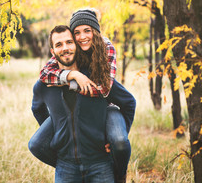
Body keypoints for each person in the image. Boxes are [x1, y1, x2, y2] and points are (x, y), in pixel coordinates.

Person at [29, 9, 136, 183]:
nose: (65, 48)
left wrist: (118, 140)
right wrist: (59, 133)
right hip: (66, 166)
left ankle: (120, 174)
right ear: (52, 51)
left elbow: (128, 102)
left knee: (120, 141)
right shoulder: (45, 83)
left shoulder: (96, 74)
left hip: (100, 163)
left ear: (75, 46)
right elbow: (37, 108)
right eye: (59, 45)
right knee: (34, 144)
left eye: (69, 42)